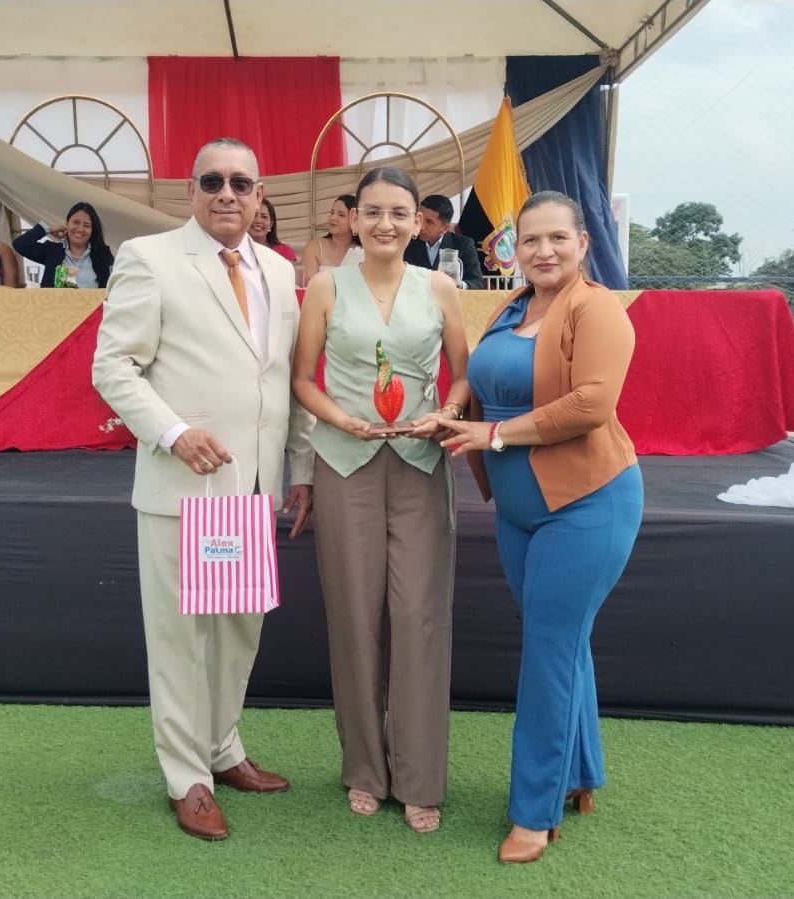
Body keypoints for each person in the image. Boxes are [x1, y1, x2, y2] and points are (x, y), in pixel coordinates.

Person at [91, 137, 314, 842]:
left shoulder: (278, 269)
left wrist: (300, 469)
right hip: (184, 485)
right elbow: (113, 366)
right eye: (211, 181)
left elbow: (285, 379)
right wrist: (174, 432)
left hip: (251, 486)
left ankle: (222, 748)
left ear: (259, 195)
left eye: (240, 183)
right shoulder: (149, 258)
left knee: (239, 631)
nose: (226, 194)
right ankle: (186, 776)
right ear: (190, 191)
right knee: (181, 637)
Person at [431, 191, 643, 865]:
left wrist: (492, 435)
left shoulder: (596, 309)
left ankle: (534, 811)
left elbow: (590, 404)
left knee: (549, 650)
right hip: (520, 511)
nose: (543, 250)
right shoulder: (513, 306)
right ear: (512, 249)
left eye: (557, 238)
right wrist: (451, 412)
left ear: (583, 243)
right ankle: (580, 773)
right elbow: (482, 381)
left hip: (587, 504)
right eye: (530, 240)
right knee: (562, 642)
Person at [292, 166, 470, 834]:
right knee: (353, 616)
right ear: (352, 217)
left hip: (421, 463)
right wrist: (340, 420)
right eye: (372, 212)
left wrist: (445, 414)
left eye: (399, 212)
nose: (385, 224)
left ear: (418, 220)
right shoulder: (325, 286)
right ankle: (365, 769)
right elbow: (302, 379)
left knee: (420, 616)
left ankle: (420, 777)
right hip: (345, 463)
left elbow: (463, 375)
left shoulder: (439, 286)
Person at [11, 201, 113, 288]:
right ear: (67, 223)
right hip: (54, 305)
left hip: (93, 306)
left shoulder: (103, 255)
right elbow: (20, 244)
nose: (80, 229)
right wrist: (48, 229)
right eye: (76, 222)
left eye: (86, 225)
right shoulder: (52, 251)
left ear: (92, 230)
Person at [404, 194, 485, 290]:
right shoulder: (408, 242)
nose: (421, 227)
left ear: (445, 228)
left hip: (449, 298)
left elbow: (477, 283)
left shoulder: (463, 245)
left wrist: (459, 284)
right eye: (420, 219)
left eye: (429, 222)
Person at [301, 193, 363, 286]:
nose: (333, 218)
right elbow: (308, 283)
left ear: (355, 221)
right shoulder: (314, 247)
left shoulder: (363, 251)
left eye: (341, 215)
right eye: (332, 213)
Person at [250, 198, 298, 265]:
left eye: (264, 217)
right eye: (254, 215)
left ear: (271, 224)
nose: (258, 221)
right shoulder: (236, 251)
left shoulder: (285, 251)